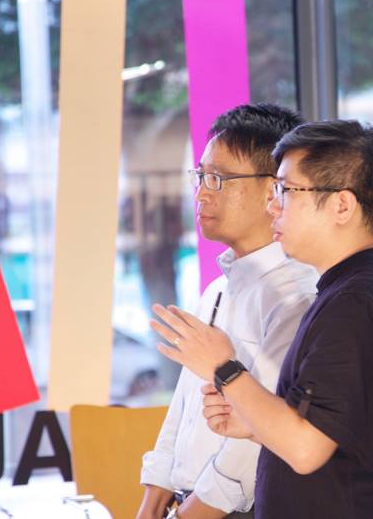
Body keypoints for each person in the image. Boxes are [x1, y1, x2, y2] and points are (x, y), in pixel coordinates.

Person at [152, 120, 373, 518]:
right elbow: (333, 440)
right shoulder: (350, 290)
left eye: (286, 190)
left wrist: (224, 368)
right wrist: (252, 424)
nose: (273, 205)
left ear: (342, 205)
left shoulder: (356, 302)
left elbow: (305, 450)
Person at [137, 104, 317, 519]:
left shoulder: (296, 296)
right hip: (187, 503)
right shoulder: (217, 289)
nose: (201, 193)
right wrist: (154, 494)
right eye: (200, 177)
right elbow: (183, 407)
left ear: (274, 189)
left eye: (217, 179)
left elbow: (255, 443)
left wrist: (191, 514)